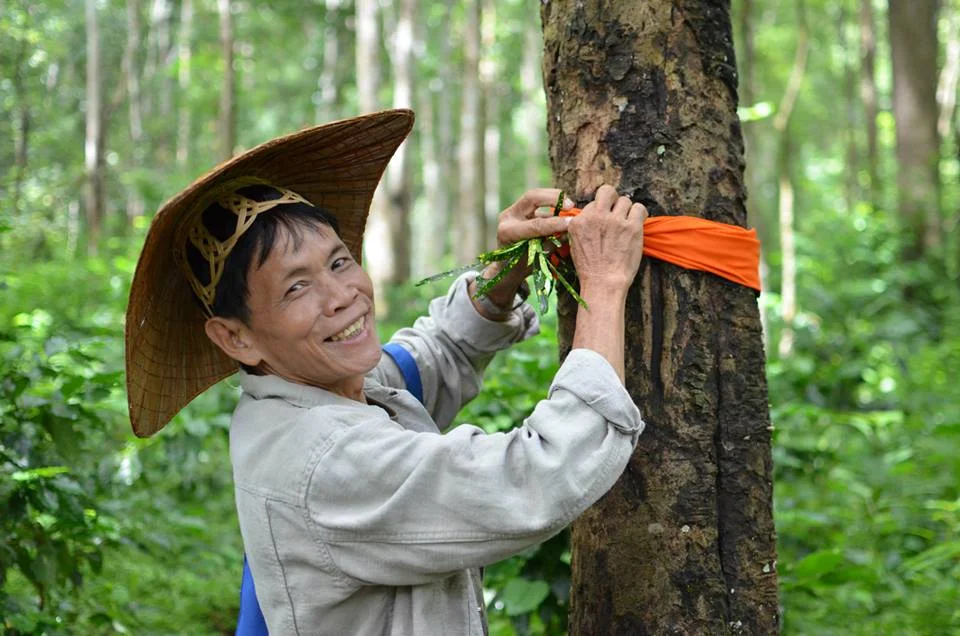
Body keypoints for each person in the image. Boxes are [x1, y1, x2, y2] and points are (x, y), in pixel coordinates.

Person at [125, 109, 649, 635]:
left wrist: (509, 264)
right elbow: (539, 476)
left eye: (337, 263)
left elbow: (433, 356)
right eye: (295, 288)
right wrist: (603, 284)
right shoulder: (327, 461)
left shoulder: (325, 388)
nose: (342, 298)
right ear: (235, 336)